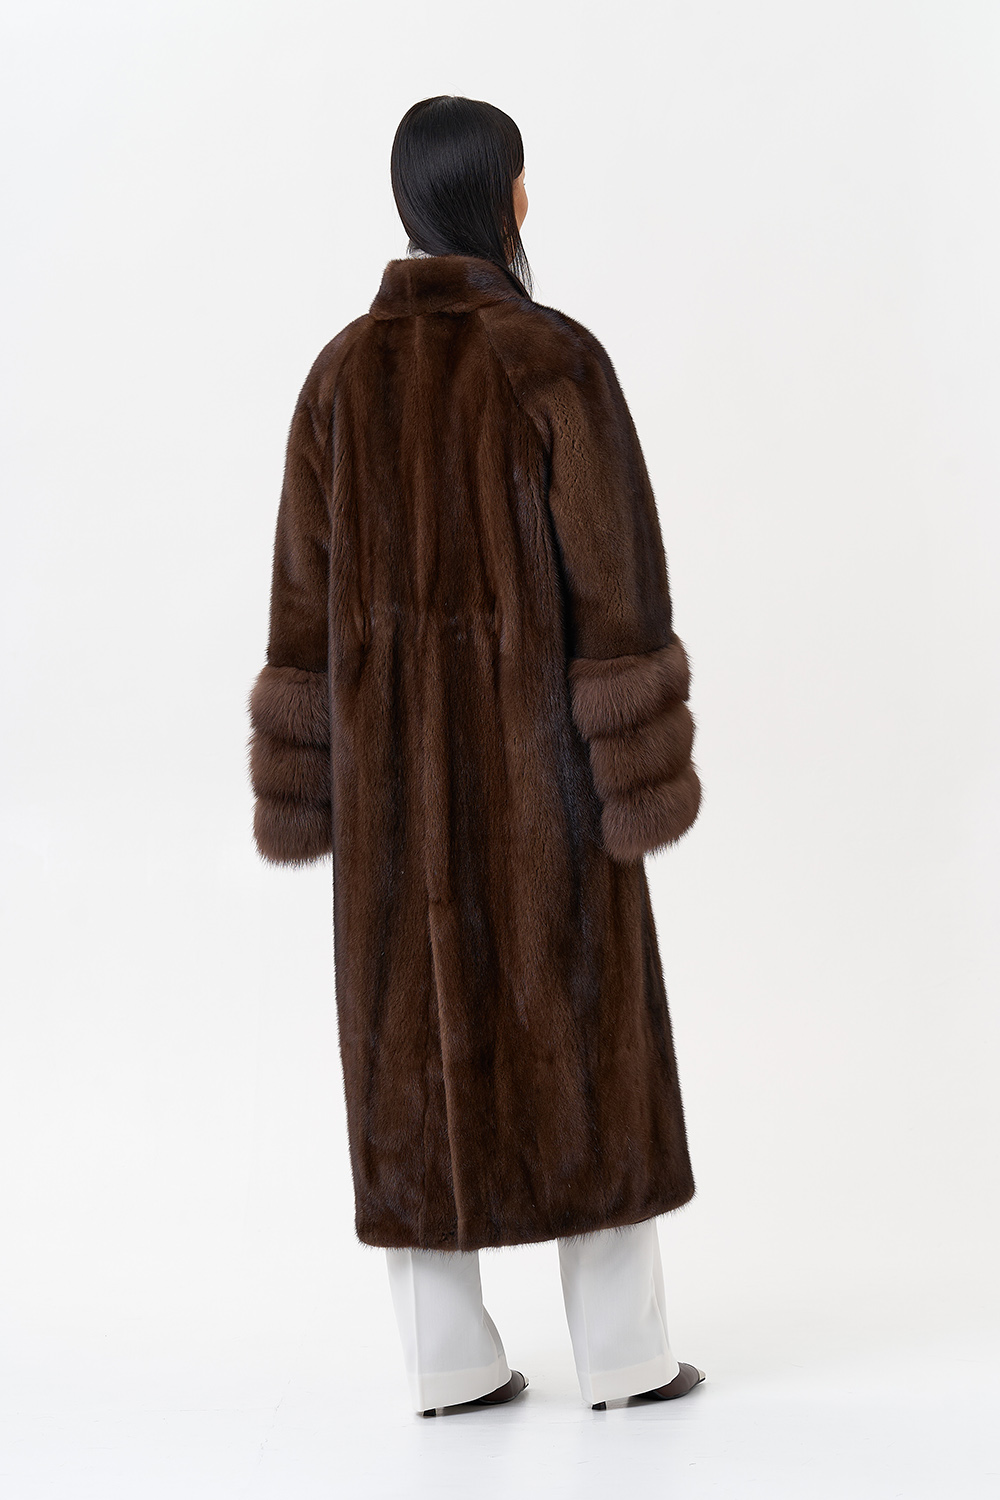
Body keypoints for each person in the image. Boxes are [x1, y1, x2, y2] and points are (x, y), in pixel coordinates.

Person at [247, 94, 706, 1415]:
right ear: (499, 196)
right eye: (519, 181)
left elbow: (299, 606)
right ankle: (624, 1355)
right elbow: (618, 585)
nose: (526, 201)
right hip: (544, 777)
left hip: (389, 788)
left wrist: (312, 785)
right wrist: (635, 774)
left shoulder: (340, 377)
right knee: (588, 1027)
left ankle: (446, 1364)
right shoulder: (552, 359)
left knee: (410, 1044)